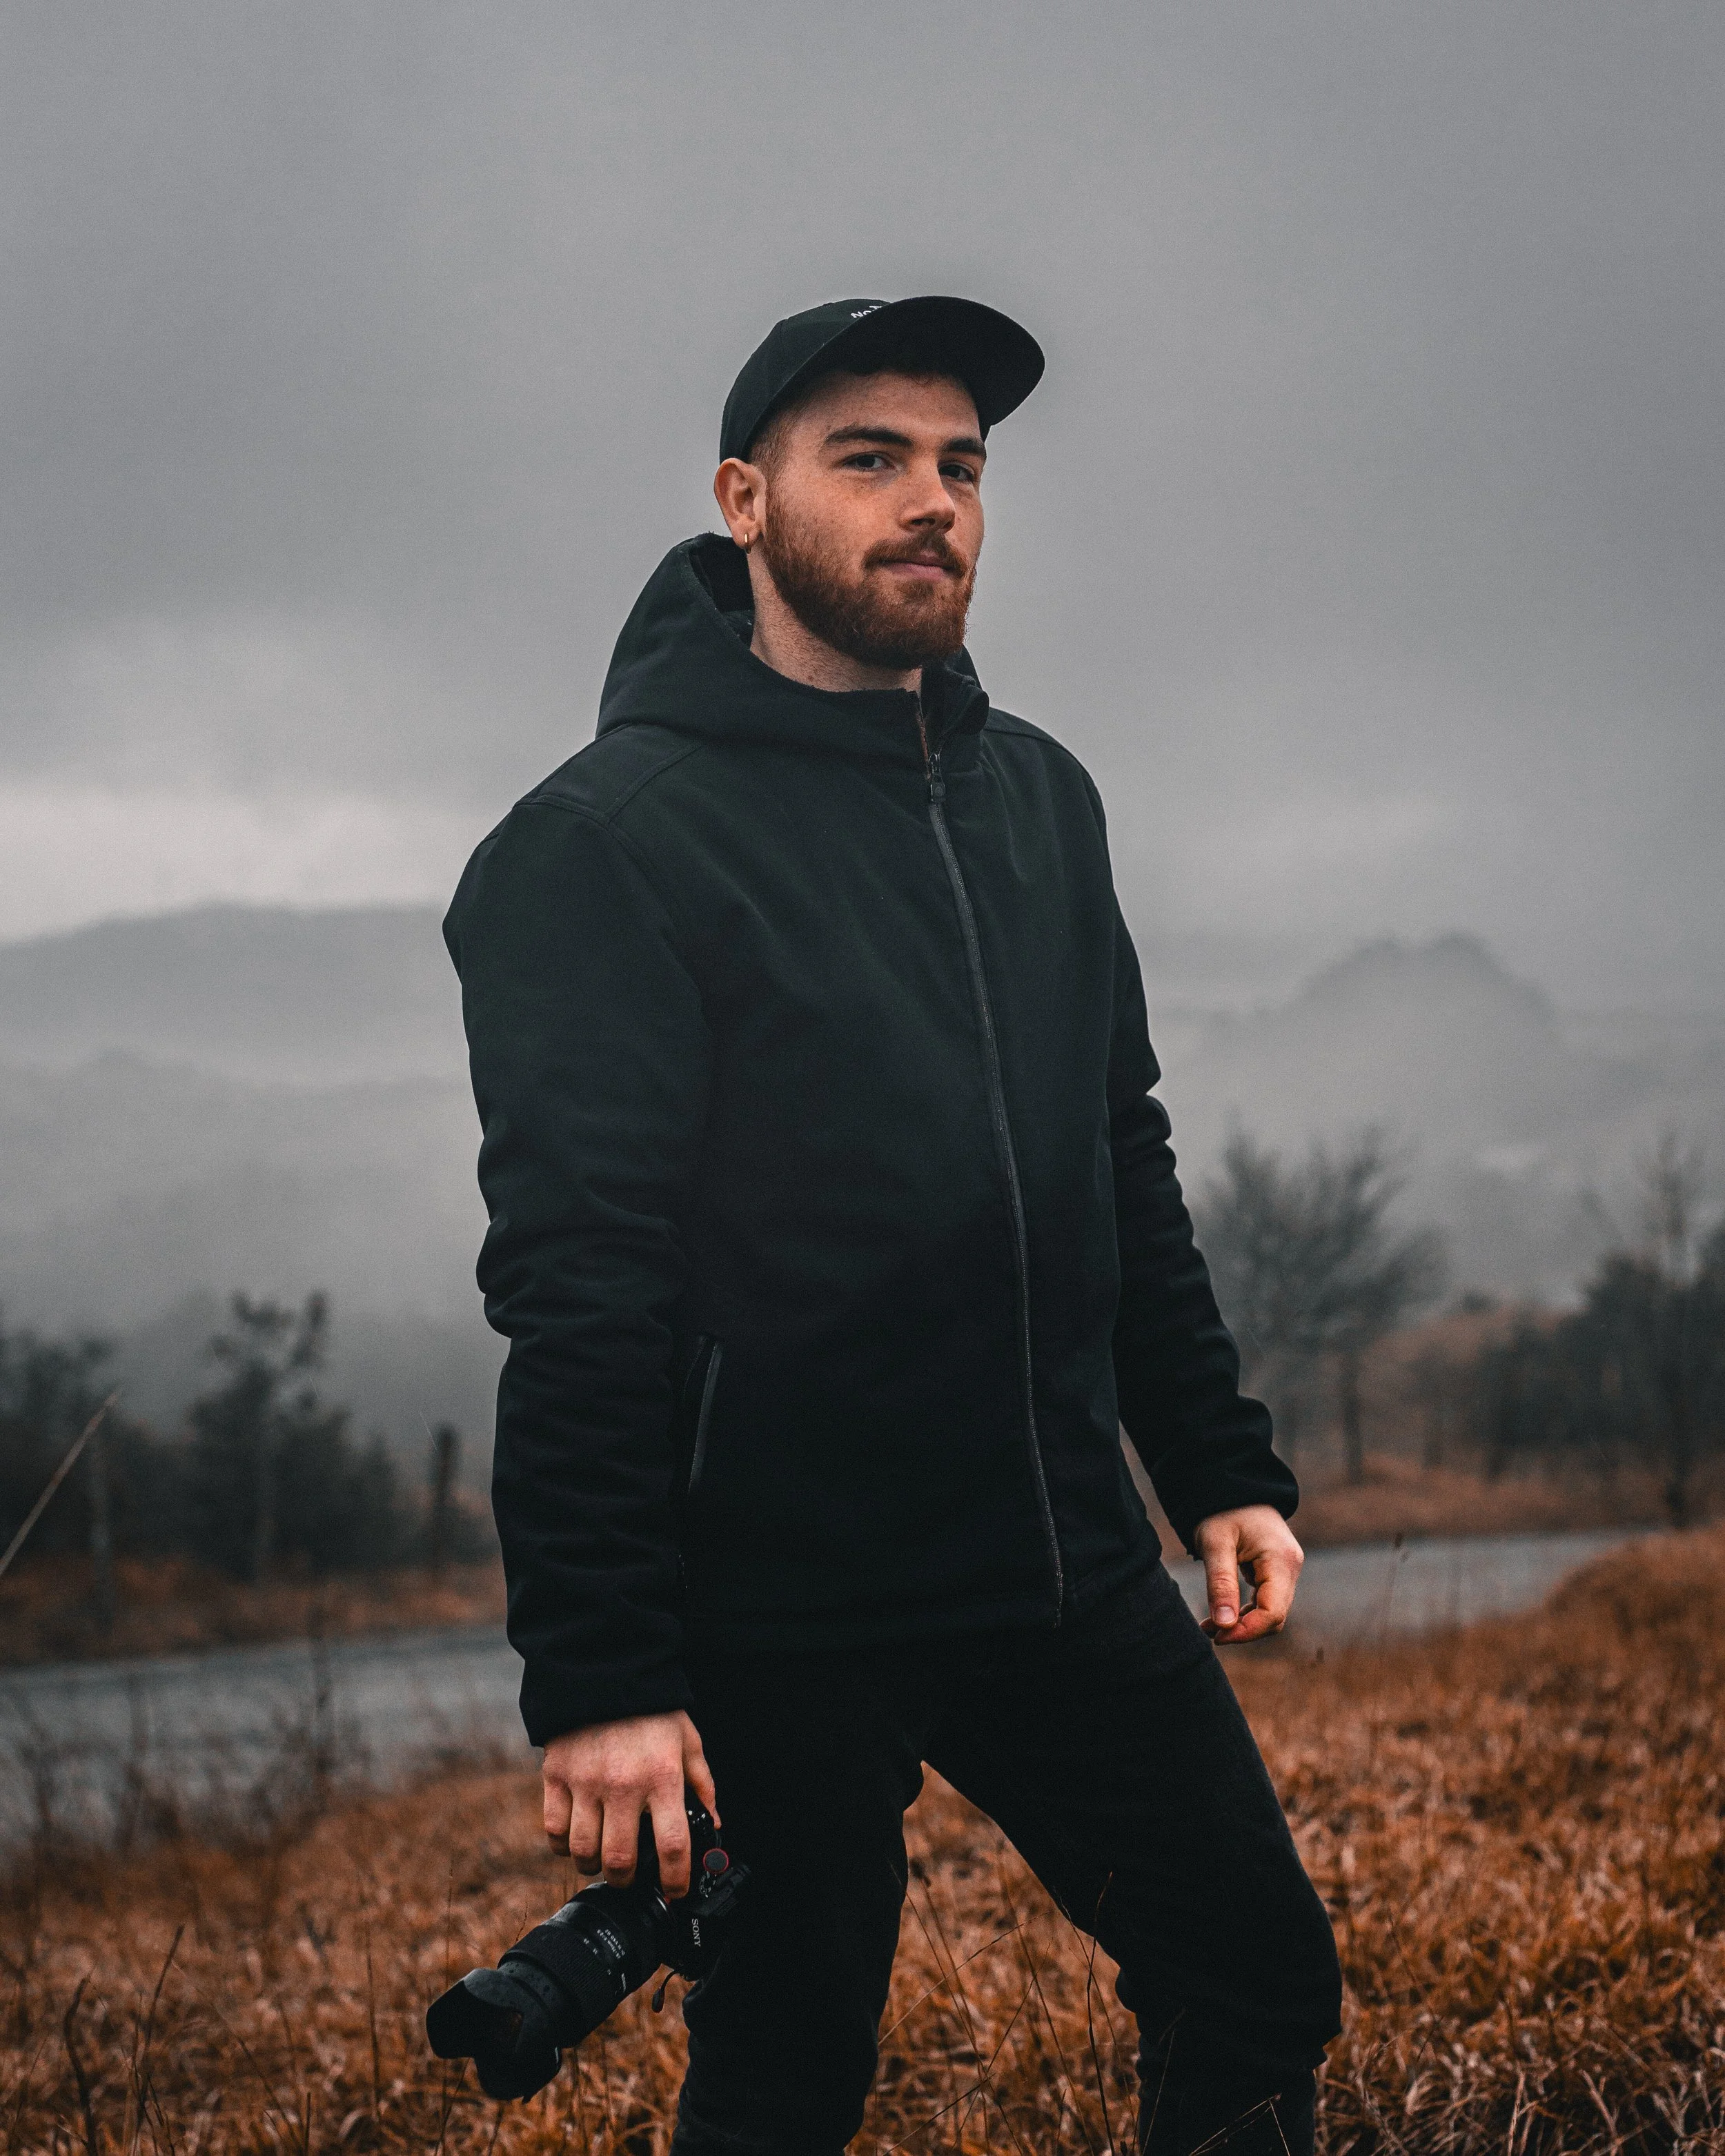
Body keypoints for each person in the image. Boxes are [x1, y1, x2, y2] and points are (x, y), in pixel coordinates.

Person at [444, 295, 1342, 2155]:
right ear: (745, 500)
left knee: (1257, 1979)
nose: (932, 500)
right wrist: (605, 1679)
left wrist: (1214, 1467)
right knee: (787, 2077)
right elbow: (578, 1285)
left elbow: (1116, 1154)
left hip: (1053, 1561)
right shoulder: (603, 846)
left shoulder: (1041, 800)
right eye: (868, 458)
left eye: (960, 464)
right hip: (778, 1609)